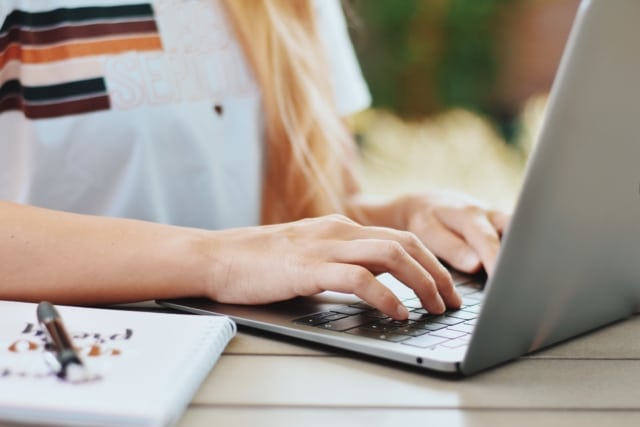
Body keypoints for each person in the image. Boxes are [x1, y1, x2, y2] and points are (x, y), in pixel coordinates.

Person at [0, 0, 508, 320]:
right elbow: (257, 251)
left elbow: (319, 204)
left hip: (257, 360)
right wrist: (218, 260)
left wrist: (405, 220)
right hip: (76, 359)